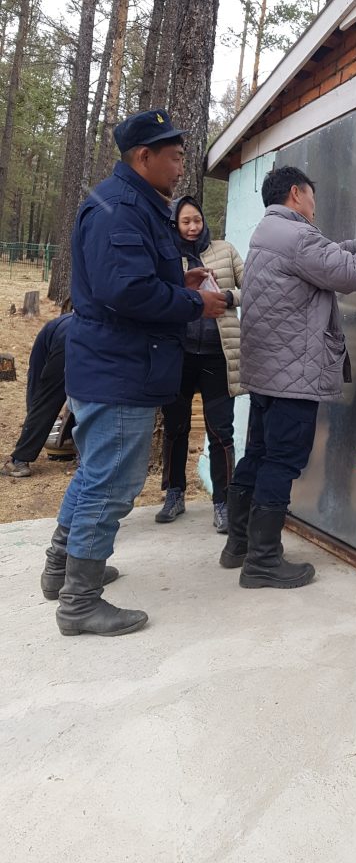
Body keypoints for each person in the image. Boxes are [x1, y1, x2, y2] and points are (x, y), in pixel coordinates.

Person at [41, 109, 228, 637]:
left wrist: (181, 277)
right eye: (172, 156)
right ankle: (80, 601)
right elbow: (125, 292)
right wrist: (196, 305)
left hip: (112, 362)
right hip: (120, 366)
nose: (180, 164)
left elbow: (133, 276)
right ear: (142, 157)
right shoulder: (121, 209)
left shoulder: (134, 205)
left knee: (93, 474)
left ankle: (64, 569)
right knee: (111, 485)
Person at [218, 164, 356, 589]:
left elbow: (324, 258)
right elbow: (343, 274)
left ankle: (239, 546)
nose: (314, 205)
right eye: (311, 196)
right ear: (295, 193)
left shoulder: (270, 232)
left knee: (260, 454)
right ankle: (264, 562)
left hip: (269, 372)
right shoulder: (298, 234)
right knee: (282, 461)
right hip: (292, 373)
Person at [155, 195, 243, 532]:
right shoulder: (165, 256)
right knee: (175, 427)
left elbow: (254, 286)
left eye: (197, 220)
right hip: (177, 355)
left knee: (221, 432)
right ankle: (174, 493)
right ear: (174, 224)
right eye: (185, 221)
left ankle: (223, 502)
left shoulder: (225, 251)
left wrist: (231, 297)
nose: (193, 227)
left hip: (218, 356)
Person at [1, 304, 73, 480]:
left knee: (44, 397)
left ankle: (22, 458)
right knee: (48, 397)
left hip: (66, 330)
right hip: (72, 335)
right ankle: (20, 458)